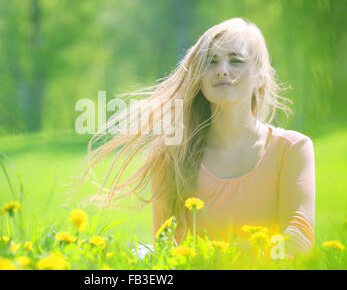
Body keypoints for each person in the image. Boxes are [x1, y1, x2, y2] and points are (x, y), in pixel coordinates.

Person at [77, 17, 315, 259]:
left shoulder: (293, 149)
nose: (222, 69)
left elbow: (299, 234)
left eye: (236, 60)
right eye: (211, 62)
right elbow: (170, 252)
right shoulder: (173, 157)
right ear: (199, 78)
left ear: (261, 76)